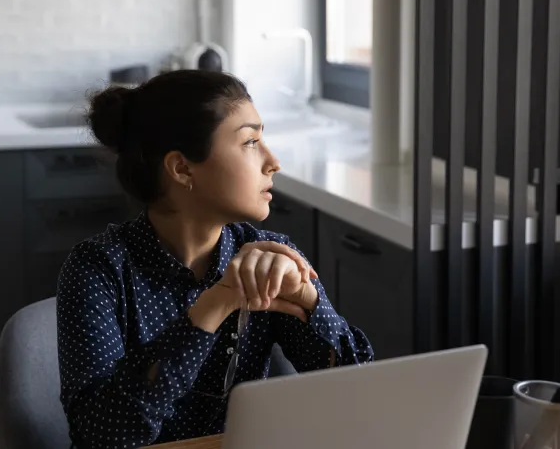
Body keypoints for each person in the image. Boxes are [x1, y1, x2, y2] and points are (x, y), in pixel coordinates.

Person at [56, 70, 374, 449]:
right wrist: (213, 306)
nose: (273, 162)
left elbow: (359, 401)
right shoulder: (98, 269)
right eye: (251, 142)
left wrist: (309, 302)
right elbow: (100, 436)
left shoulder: (269, 258)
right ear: (182, 168)